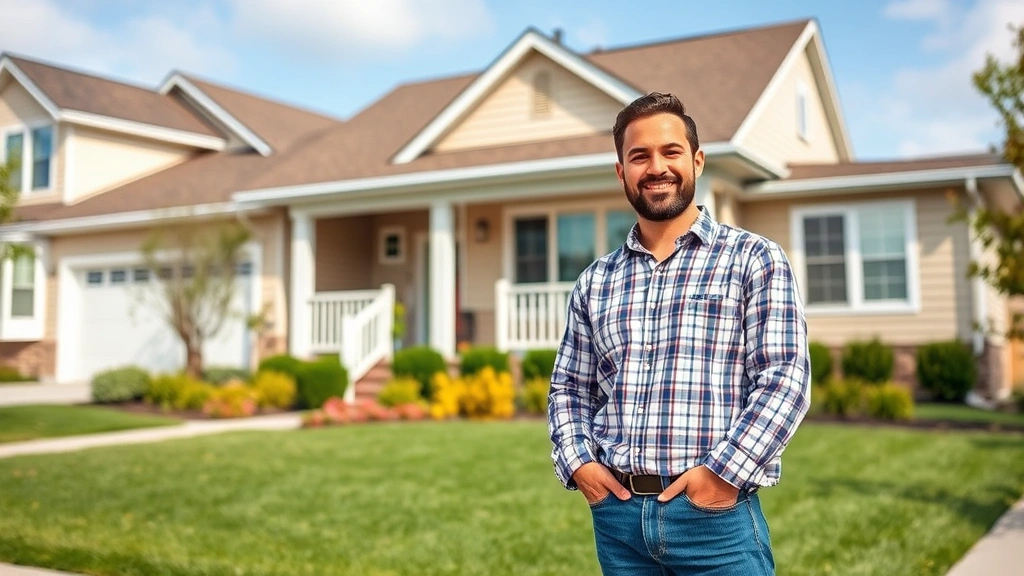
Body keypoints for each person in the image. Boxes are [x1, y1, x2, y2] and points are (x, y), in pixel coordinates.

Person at [547, 92, 811, 575]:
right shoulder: (596, 281)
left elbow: (785, 379)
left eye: (671, 151)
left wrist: (721, 477)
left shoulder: (754, 259)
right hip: (619, 521)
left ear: (697, 160)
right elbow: (569, 387)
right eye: (639, 156)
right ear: (621, 172)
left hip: (715, 522)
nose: (656, 167)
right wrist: (579, 463)